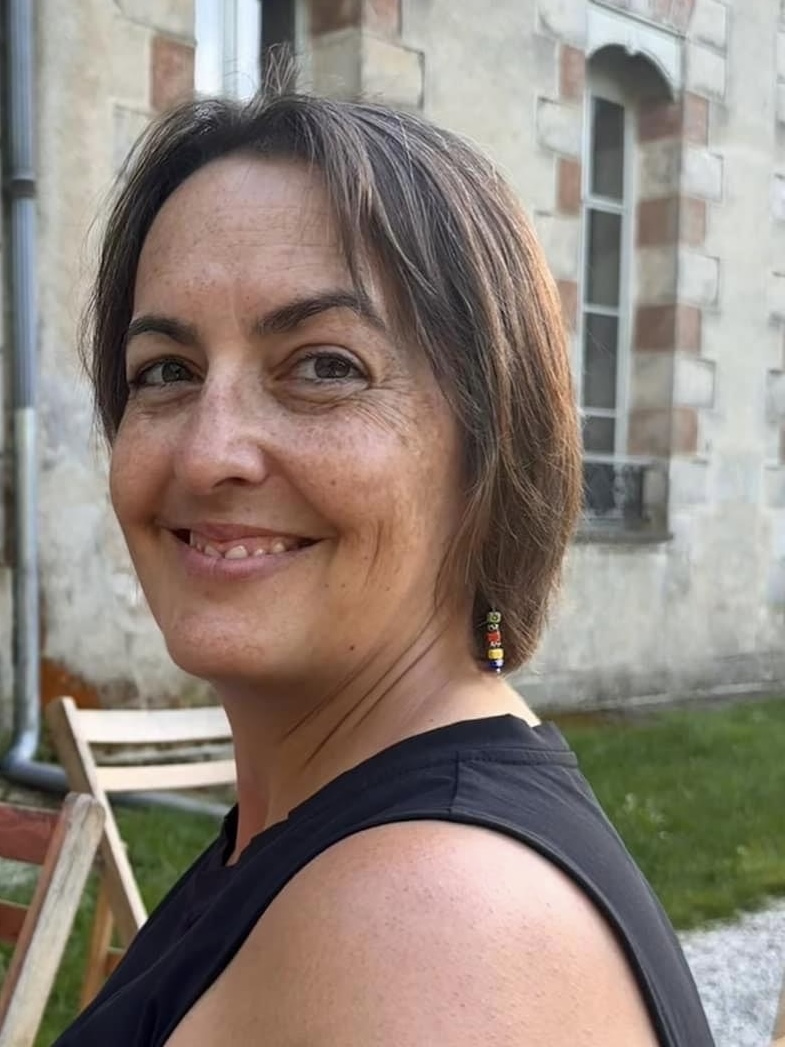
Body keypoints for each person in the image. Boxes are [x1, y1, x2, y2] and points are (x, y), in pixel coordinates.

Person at [54, 82, 713, 1047]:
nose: (207, 452)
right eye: (166, 371)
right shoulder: (317, 830)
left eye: (325, 365)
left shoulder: (429, 931)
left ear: (489, 446)